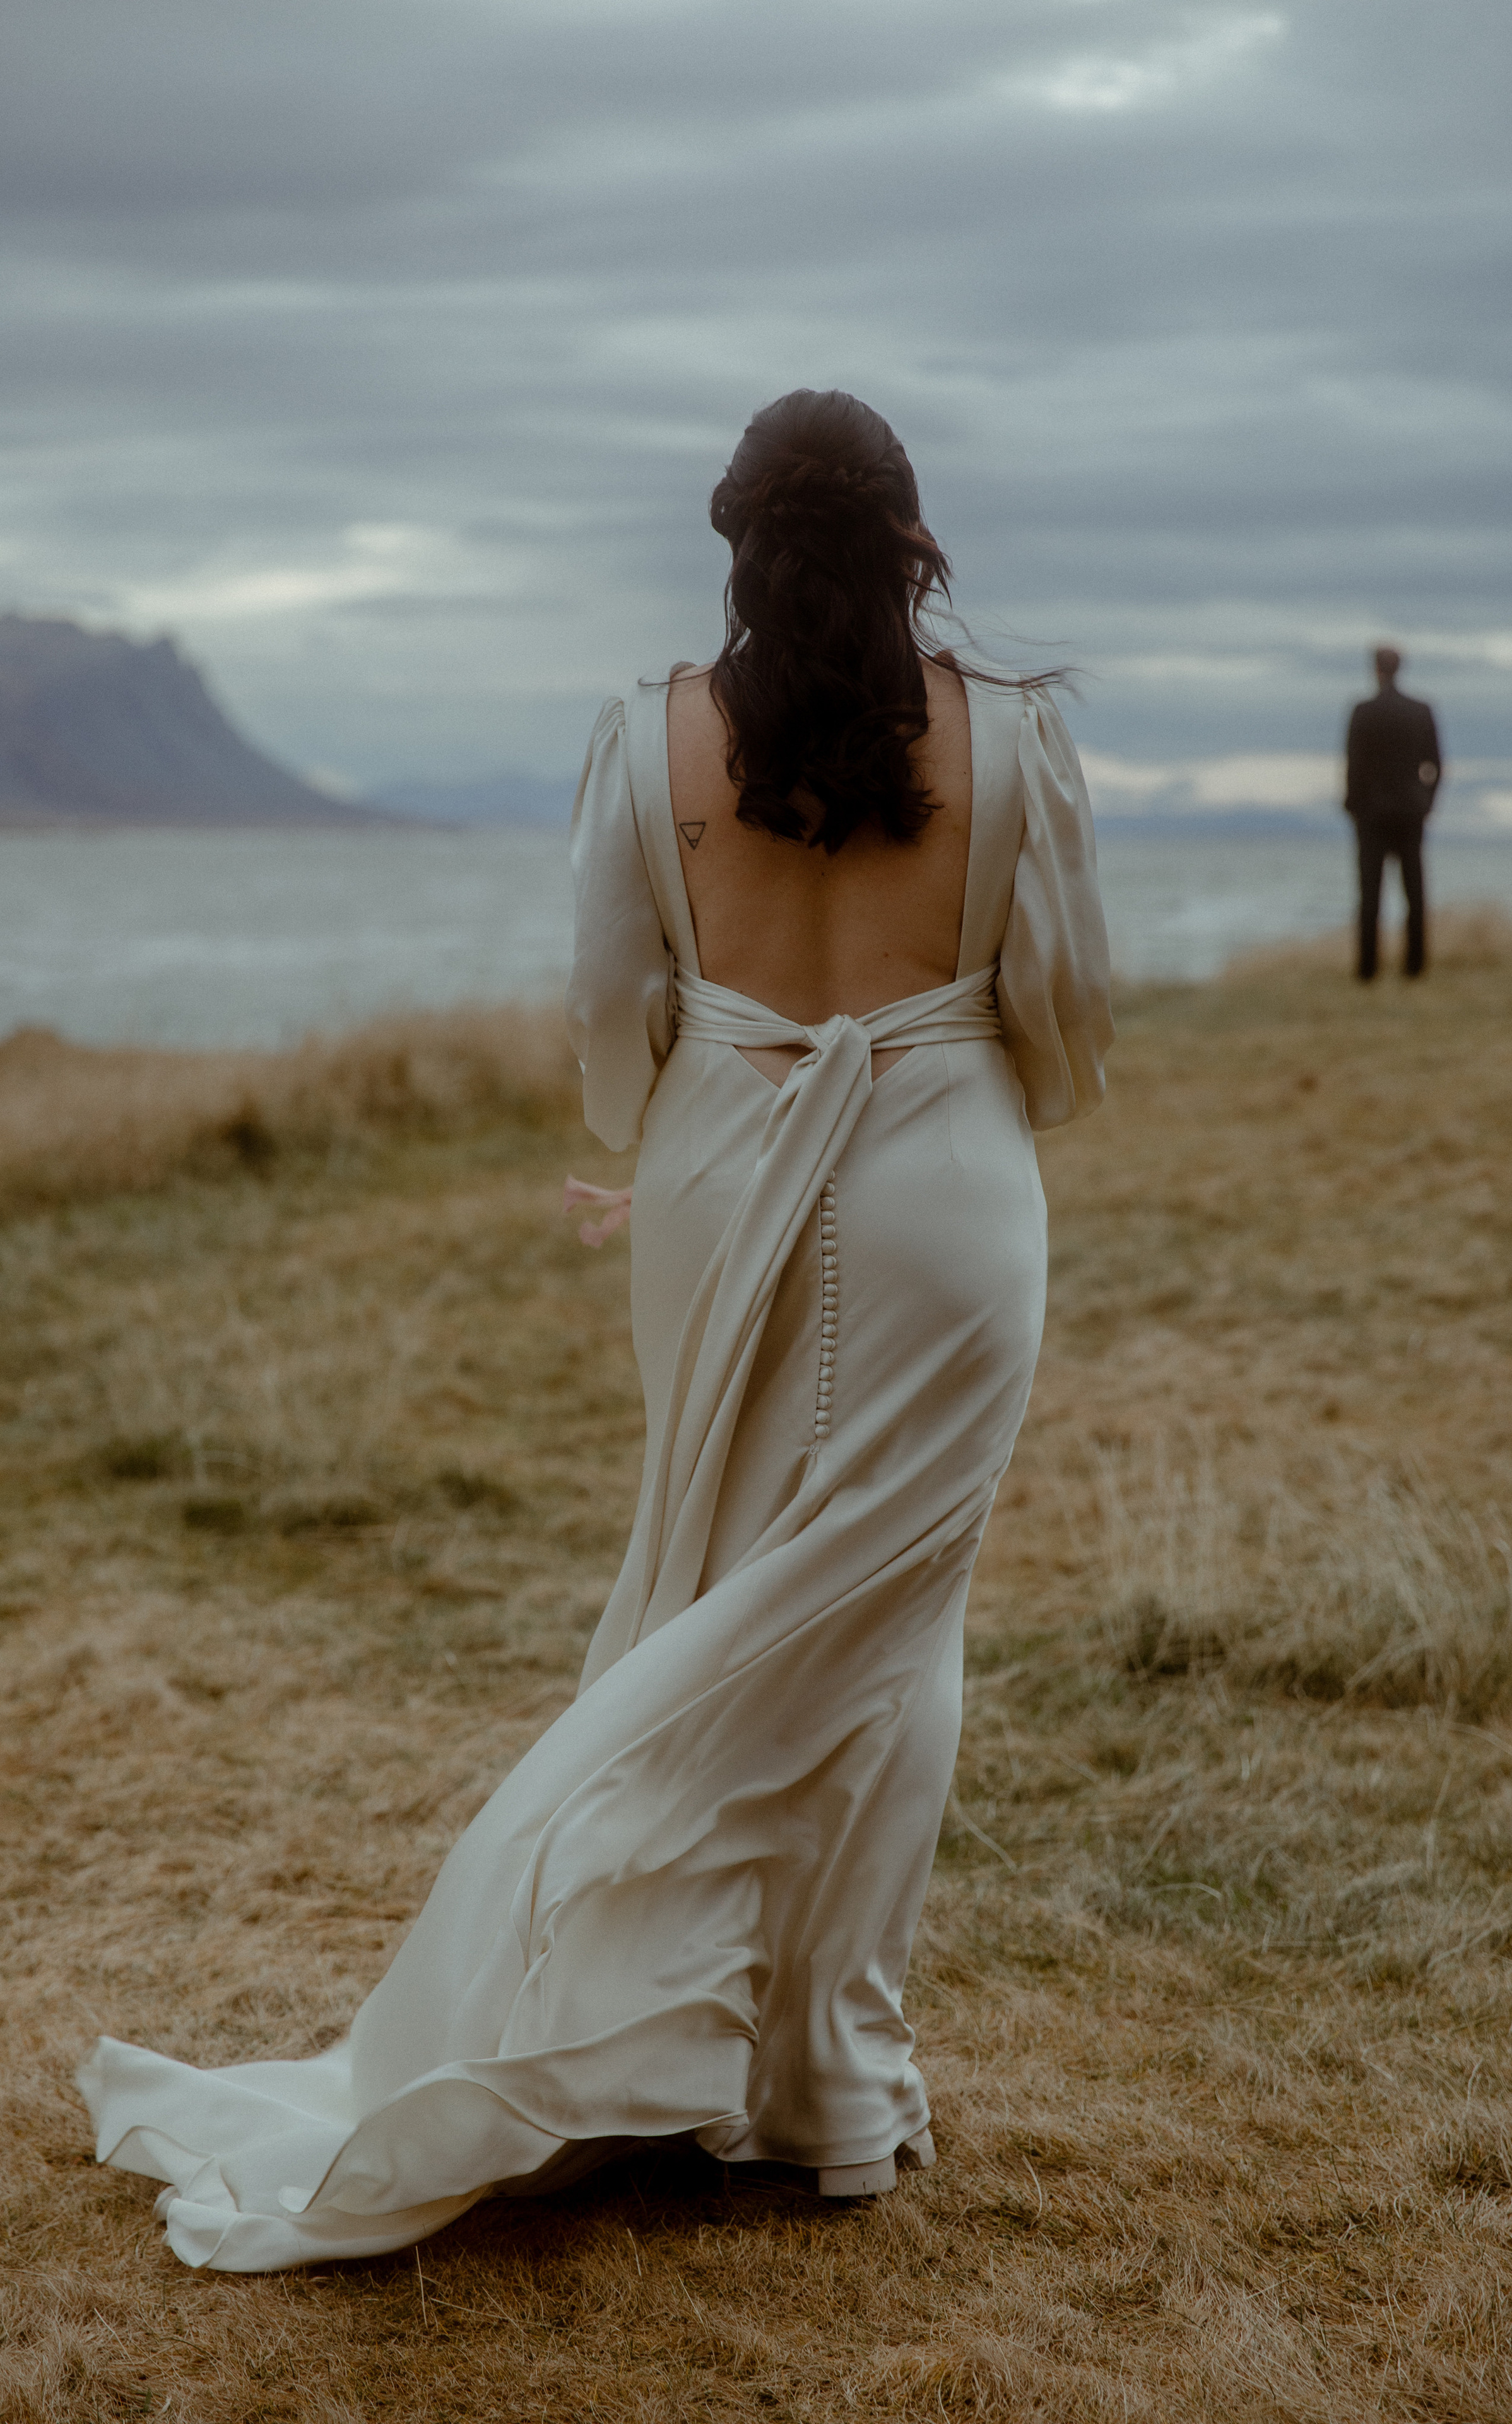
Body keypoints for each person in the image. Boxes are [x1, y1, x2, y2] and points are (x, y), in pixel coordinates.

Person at [78, 389, 1113, 2272]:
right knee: (889, 1609)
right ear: (911, 543)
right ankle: (834, 2096)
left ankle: (671, 2015)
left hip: (714, 1179)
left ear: (733, 544)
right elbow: (1059, 1013)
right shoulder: (1018, 739)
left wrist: (696, 1130)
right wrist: (939, 1097)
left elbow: (609, 1015)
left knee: (725, 1570)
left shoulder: (651, 739)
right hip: (951, 1185)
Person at [1345, 645, 1443, 980]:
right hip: (1410, 814)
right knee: (1414, 892)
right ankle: (1415, 966)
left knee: (1370, 895)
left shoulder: (1363, 712)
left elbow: (1354, 767)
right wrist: (1426, 802)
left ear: (1376, 669)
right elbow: (1435, 765)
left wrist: (1354, 806)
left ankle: (1367, 969)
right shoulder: (1420, 711)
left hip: (1372, 816)